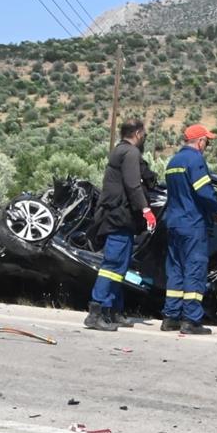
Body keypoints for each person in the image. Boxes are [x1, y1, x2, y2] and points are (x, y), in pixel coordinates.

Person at [162, 124, 217, 335]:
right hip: (192, 223)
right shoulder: (195, 160)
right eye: (208, 142)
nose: (207, 146)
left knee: (175, 270)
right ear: (200, 141)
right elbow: (204, 193)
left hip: (174, 223)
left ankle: (170, 317)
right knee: (194, 270)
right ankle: (191, 320)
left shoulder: (173, 161)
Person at [84, 118, 156, 332]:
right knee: (113, 265)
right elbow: (133, 185)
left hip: (118, 215)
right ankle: (95, 312)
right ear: (138, 134)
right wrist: (146, 210)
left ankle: (113, 310)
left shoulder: (120, 150)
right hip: (119, 216)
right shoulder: (131, 153)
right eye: (144, 134)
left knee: (120, 267)